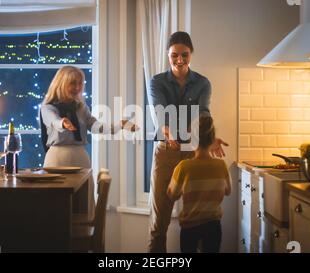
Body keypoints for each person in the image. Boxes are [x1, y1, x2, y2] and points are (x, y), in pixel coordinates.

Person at [147, 31, 228, 253]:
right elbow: (159, 111)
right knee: (159, 221)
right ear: (167, 54)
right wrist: (168, 131)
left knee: (200, 220)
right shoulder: (157, 82)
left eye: (185, 54)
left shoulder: (202, 83)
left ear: (191, 54)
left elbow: (203, 113)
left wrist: (208, 138)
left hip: (193, 151)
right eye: (174, 55)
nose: (180, 60)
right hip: (167, 150)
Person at [40, 65, 135, 217]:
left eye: (80, 83)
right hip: (57, 159)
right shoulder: (47, 108)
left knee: (82, 202)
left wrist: (120, 125)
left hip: (80, 158)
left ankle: (81, 238)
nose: (77, 87)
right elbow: (53, 120)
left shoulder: (81, 108)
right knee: (55, 205)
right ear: (61, 83)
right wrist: (63, 123)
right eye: (73, 83)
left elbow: (96, 127)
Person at [167, 116, 231, 253]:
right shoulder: (221, 165)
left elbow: (172, 195)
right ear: (212, 139)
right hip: (213, 226)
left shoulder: (183, 167)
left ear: (192, 140)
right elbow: (228, 191)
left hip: (190, 228)